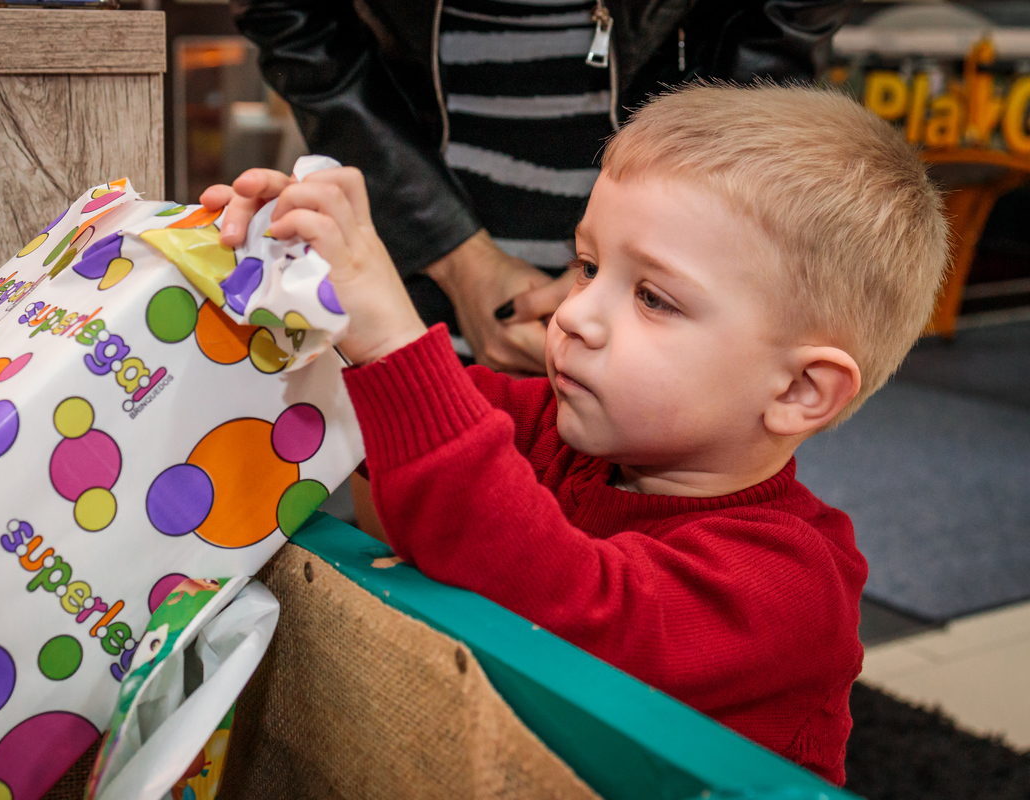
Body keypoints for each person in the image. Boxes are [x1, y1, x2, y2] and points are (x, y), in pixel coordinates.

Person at [199, 84, 948, 784]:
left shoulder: (791, 584)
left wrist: (393, 340)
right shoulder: (560, 430)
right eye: (588, 266)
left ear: (798, 390)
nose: (575, 315)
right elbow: (405, 415)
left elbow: (566, 608)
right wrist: (296, 294)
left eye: (653, 298)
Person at [228, 0, 860, 374]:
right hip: (413, 181)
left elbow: (775, 36)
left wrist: (641, 255)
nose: (576, 317)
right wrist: (452, 256)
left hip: (676, 187)